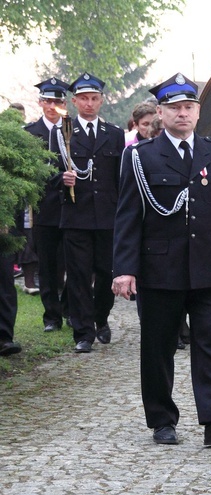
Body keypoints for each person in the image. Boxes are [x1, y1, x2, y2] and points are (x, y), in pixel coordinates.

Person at [112, 73, 211, 446]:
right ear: (161, 113)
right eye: (174, 108)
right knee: (158, 346)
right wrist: (124, 269)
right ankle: (162, 420)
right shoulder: (141, 157)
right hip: (160, 268)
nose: (182, 114)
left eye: (189, 107)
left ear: (199, 112)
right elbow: (127, 216)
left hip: (207, 266)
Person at [49, 72, 125, 353]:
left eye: (94, 98)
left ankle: (100, 318)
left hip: (107, 216)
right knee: (79, 275)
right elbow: (50, 173)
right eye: (84, 99)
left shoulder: (114, 134)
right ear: (74, 101)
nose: (89, 104)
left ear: (102, 100)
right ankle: (83, 332)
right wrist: (62, 180)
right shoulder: (62, 133)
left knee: (107, 273)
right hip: (76, 215)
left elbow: (121, 178)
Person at [26, 77, 70, 332]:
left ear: (64, 103)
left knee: (73, 265)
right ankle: (51, 316)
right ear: (40, 102)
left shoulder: (71, 129)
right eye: (47, 101)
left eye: (57, 101)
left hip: (72, 207)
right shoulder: (31, 133)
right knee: (48, 265)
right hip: (45, 208)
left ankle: (69, 309)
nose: (52, 106)